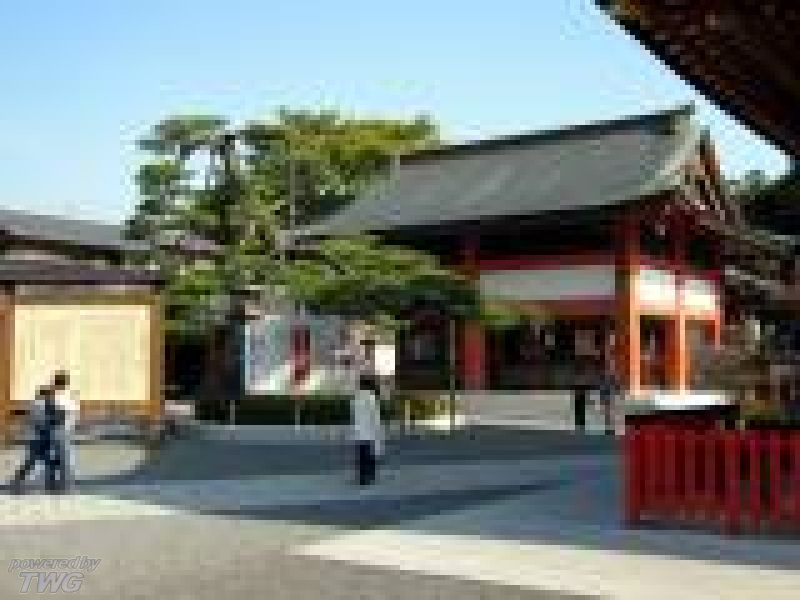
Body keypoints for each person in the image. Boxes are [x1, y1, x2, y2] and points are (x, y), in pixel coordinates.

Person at [10, 384, 63, 493]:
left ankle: (51, 483)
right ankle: (19, 479)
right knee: (36, 461)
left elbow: (53, 419)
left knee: (47, 461)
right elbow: (40, 421)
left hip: (43, 438)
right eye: (49, 395)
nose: (51, 396)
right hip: (38, 438)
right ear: (44, 395)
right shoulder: (38, 405)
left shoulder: (46, 405)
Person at [351, 339, 384, 485]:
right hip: (369, 432)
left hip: (359, 432)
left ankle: (362, 477)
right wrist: (378, 431)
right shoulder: (371, 398)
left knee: (362, 454)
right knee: (369, 454)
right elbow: (375, 417)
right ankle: (368, 476)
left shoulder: (356, 398)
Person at [50, 371, 79, 492]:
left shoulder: (59, 396)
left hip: (60, 428)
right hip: (66, 428)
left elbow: (60, 414)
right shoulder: (69, 395)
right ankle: (65, 482)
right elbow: (74, 411)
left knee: (62, 456)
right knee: (65, 455)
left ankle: (64, 483)